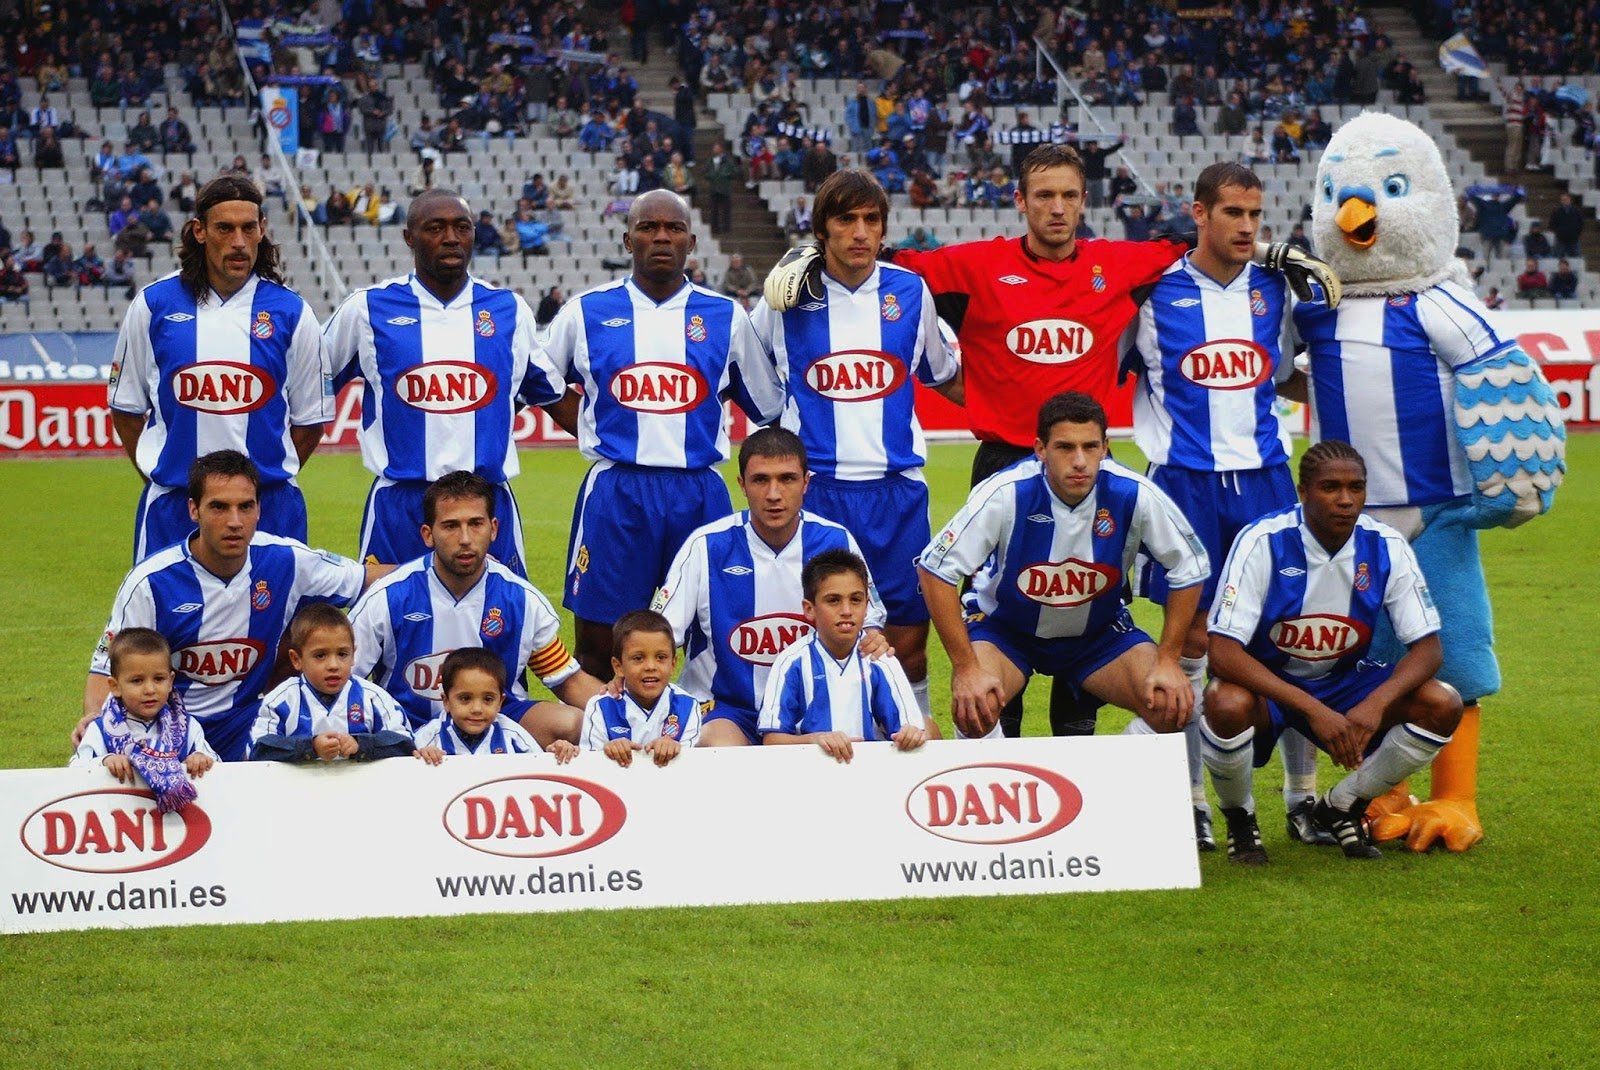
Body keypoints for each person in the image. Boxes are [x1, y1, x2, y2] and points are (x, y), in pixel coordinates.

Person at [765, 143, 1336, 739]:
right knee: (993, 606)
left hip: (1089, 460)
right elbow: (879, 256)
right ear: (1019, 201)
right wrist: (806, 251)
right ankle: (992, 735)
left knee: (1084, 597)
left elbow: (1198, 248)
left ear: (1085, 201)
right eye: (1044, 196)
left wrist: (1267, 251)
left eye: (1068, 195)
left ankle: (1077, 732)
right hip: (1004, 461)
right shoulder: (972, 266)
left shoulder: (1123, 263)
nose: (1057, 208)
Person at [1124, 161, 1326, 850]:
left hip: (1267, 481)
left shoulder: (1277, 289)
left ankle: (1304, 798)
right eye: (1233, 213)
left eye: (1255, 214)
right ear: (1200, 213)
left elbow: (1297, 374)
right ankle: (1189, 804)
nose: (1246, 227)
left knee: (1298, 637)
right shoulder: (1150, 296)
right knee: (1191, 643)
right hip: (1185, 485)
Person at [541, 189, 784, 682]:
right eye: (648, 227)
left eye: (673, 228)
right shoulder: (585, 312)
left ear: (691, 242)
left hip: (699, 491)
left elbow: (768, 407)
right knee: (600, 641)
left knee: (718, 634)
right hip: (618, 492)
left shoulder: (726, 317)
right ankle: (605, 742)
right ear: (627, 238)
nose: (660, 237)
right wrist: (591, 427)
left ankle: (705, 736)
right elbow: (540, 384)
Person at [749, 169, 962, 727]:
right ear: (822, 230)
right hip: (818, 493)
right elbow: (755, 385)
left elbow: (943, 369)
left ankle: (912, 745)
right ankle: (812, 743)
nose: (860, 232)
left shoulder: (910, 291)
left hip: (897, 493)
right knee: (818, 637)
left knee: (907, 643)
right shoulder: (784, 300)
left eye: (871, 220)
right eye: (846, 220)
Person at [1200, 442, 1463, 861]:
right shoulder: (1262, 541)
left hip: (1343, 680)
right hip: (1271, 683)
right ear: (1303, 492)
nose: (1345, 499)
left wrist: (1374, 705)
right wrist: (1313, 710)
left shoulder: (1386, 545)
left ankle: (1340, 806)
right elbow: (1224, 653)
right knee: (1224, 703)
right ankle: (1240, 819)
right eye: (1330, 488)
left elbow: (1428, 649)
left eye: (1355, 488)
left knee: (1442, 703)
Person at [917, 392, 1208, 741]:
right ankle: (1003, 784)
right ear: (1041, 449)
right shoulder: (1006, 492)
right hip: (1005, 631)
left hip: (1096, 634)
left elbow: (1189, 565)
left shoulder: (1134, 494)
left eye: (1090, 447)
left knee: (1170, 704)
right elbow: (936, 570)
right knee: (976, 709)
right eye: (1065, 447)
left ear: (1105, 447)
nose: (1080, 461)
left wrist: (1168, 659)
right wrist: (965, 669)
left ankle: (1099, 782)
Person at [325, 188, 572, 577]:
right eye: (435, 228)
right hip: (401, 503)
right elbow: (313, 387)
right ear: (409, 237)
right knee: (390, 630)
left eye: (462, 227)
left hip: (485, 504)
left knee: (499, 630)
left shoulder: (508, 310)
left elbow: (549, 392)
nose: (451, 238)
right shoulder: (366, 309)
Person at [81, 451, 388, 762]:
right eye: (218, 507)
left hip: (248, 724)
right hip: (169, 728)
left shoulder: (286, 560)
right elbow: (105, 668)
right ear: (193, 510)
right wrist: (93, 719)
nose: (234, 522)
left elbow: (367, 578)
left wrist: (433, 569)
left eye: (245, 507)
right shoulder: (150, 583)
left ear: (259, 510)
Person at [107, 174, 332, 562]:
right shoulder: (153, 305)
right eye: (225, 228)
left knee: (276, 624)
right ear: (199, 231)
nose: (239, 242)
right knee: (162, 624)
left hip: (269, 511)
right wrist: (164, 475)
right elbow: (126, 407)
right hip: (175, 508)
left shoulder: (293, 313)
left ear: (262, 230)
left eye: (248, 228)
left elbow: (310, 421)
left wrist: (256, 487)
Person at [654, 428, 887, 747]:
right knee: (720, 751)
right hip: (728, 710)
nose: (774, 494)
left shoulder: (836, 541)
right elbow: (659, 633)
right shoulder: (706, 546)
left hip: (813, 711)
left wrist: (874, 639)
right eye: (761, 480)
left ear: (806, 482)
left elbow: (870, 626)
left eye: (787, 479)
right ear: (742, 485)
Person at [349, 470, 601, 745]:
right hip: (408, 725)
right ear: (427, 534)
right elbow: (343, 675)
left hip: (495, 722)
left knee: (571, 724)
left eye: (476, 524)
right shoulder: (388, 596)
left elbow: (568, 680)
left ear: (493, 528)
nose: (465, 538)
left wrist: (631, 715)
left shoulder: (519, 599)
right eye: (451, 526)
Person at [759, 549, 926, 761]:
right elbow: (772, 740)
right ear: (809, 609)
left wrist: (910, 735)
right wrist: (815, 740)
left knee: (931, 729)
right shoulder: (791, 662)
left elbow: (910, 728)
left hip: (869, 773)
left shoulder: (880, 659)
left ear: (867, 606)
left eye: (856, 600)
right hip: (807, 773)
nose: (846, 610)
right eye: (834, 600)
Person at [71, 628, 217, 812]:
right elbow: (75, 771)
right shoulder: (101, 729)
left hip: (177, 826)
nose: (149, 689)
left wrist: (202, 759)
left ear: (171, 681)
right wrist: (104, 761)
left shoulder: (187, 727)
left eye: (158, 679)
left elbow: (218, 769)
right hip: (117, 825)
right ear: (115, 686)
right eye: (137, 681)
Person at [249, 603, 415, 763]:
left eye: (342, 654)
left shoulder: (373, 698)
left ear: (353, 654)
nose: (333, 665)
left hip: (363, 790)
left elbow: (405, 744)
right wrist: (310, 748)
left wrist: (361, 745)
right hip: (297, 791)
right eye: (320, 655)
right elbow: (258, 749)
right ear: (297, 659)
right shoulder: (281, 700)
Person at [549, 610, 702, 767]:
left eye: (661, 658)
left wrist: (677, 751)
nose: (650, 666)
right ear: (618, 666)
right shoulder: (600, 706)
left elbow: (690, 770)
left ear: (673, 664)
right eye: (638, 658)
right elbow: (590, 766)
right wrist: (607, 752)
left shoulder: (688, 706)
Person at [413, 648, 543, 761]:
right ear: (446, 701)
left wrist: (556, 754)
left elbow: (542, 768)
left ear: (500, 702)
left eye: (488, 699)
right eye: (465, 698)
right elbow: (404, 771)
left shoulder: (513, 734)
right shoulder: (429, 737)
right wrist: (422, 758)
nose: (477, 709)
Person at [704, 140, 737, 234]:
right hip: (714, 188)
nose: (714, 149)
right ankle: (715, 228)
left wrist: (725, 174)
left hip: (725, 188)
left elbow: (734, 171)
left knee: (726, 210)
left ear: (721, 149)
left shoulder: (728, 160)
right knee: (714, 210)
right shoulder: (711, 160)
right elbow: (705, 171)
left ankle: (726, 227)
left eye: (716, 147)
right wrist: (712, 175)